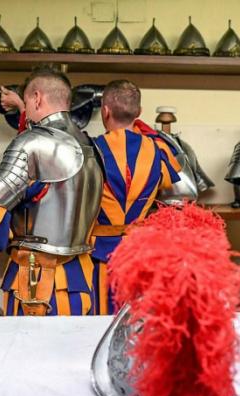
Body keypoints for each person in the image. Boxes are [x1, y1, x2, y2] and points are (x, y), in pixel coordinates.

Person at [0, 66, 103, 316]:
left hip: (39, 280)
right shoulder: (91, 144)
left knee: (27, 353)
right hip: (80, 275)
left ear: (36, 98)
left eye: (26, 101)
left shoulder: (34, 143)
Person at [91, 80, 179, 315]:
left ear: (105, 110)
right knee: (138, 327)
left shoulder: (89, 149)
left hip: (98, 255)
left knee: (98, 327)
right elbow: (178, 195)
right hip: (142, 253)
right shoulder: (160, 149)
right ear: (139, 112)